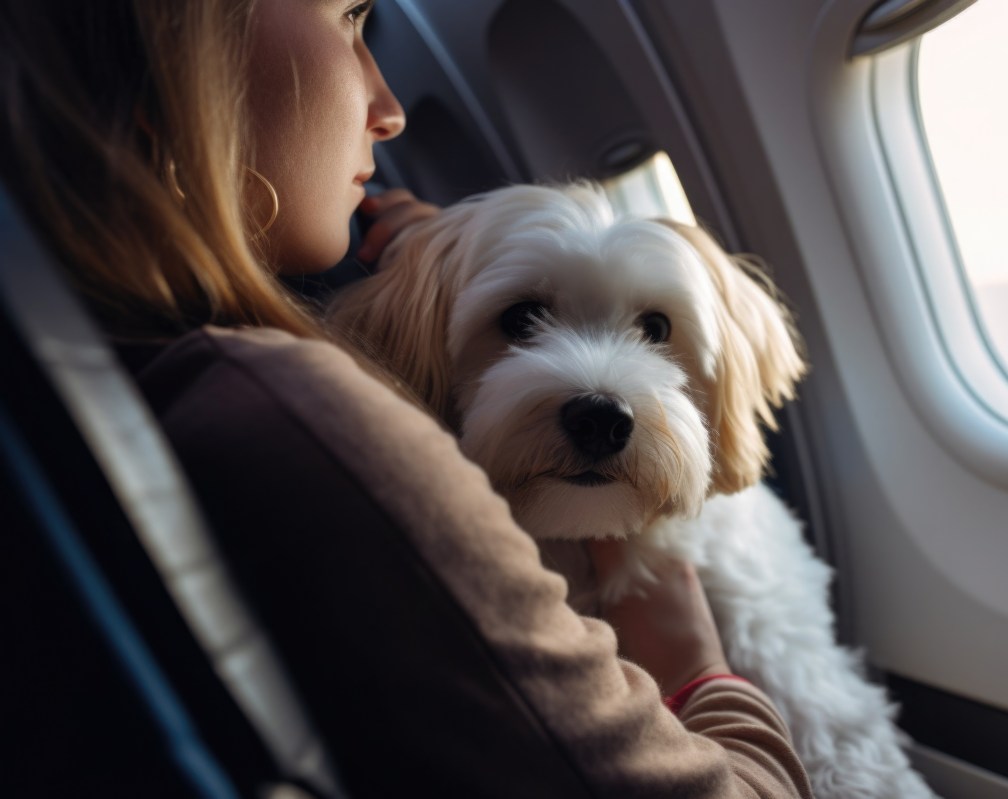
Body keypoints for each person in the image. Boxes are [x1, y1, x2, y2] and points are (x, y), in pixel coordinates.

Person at [0, 1, 812, 796]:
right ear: (180, 57)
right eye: (351, 19)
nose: (388, 111)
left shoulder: (109, 381)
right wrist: (697, 670)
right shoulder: (302, 417)